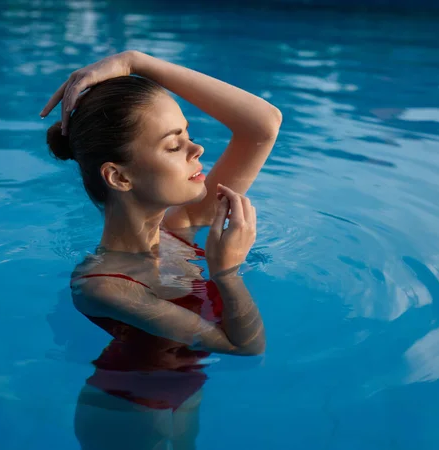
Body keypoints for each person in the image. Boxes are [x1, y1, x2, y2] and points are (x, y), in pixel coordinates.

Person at [40, 50, 282, 450]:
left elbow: (263, 125)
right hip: (125, 407)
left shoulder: (179, 227)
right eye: (174, 146)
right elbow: (246, 347)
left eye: (187, 133)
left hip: (187, 389)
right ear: (119, 176)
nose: (197, 149)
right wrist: (227, 274)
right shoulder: (104, 284)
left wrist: (136, 62)